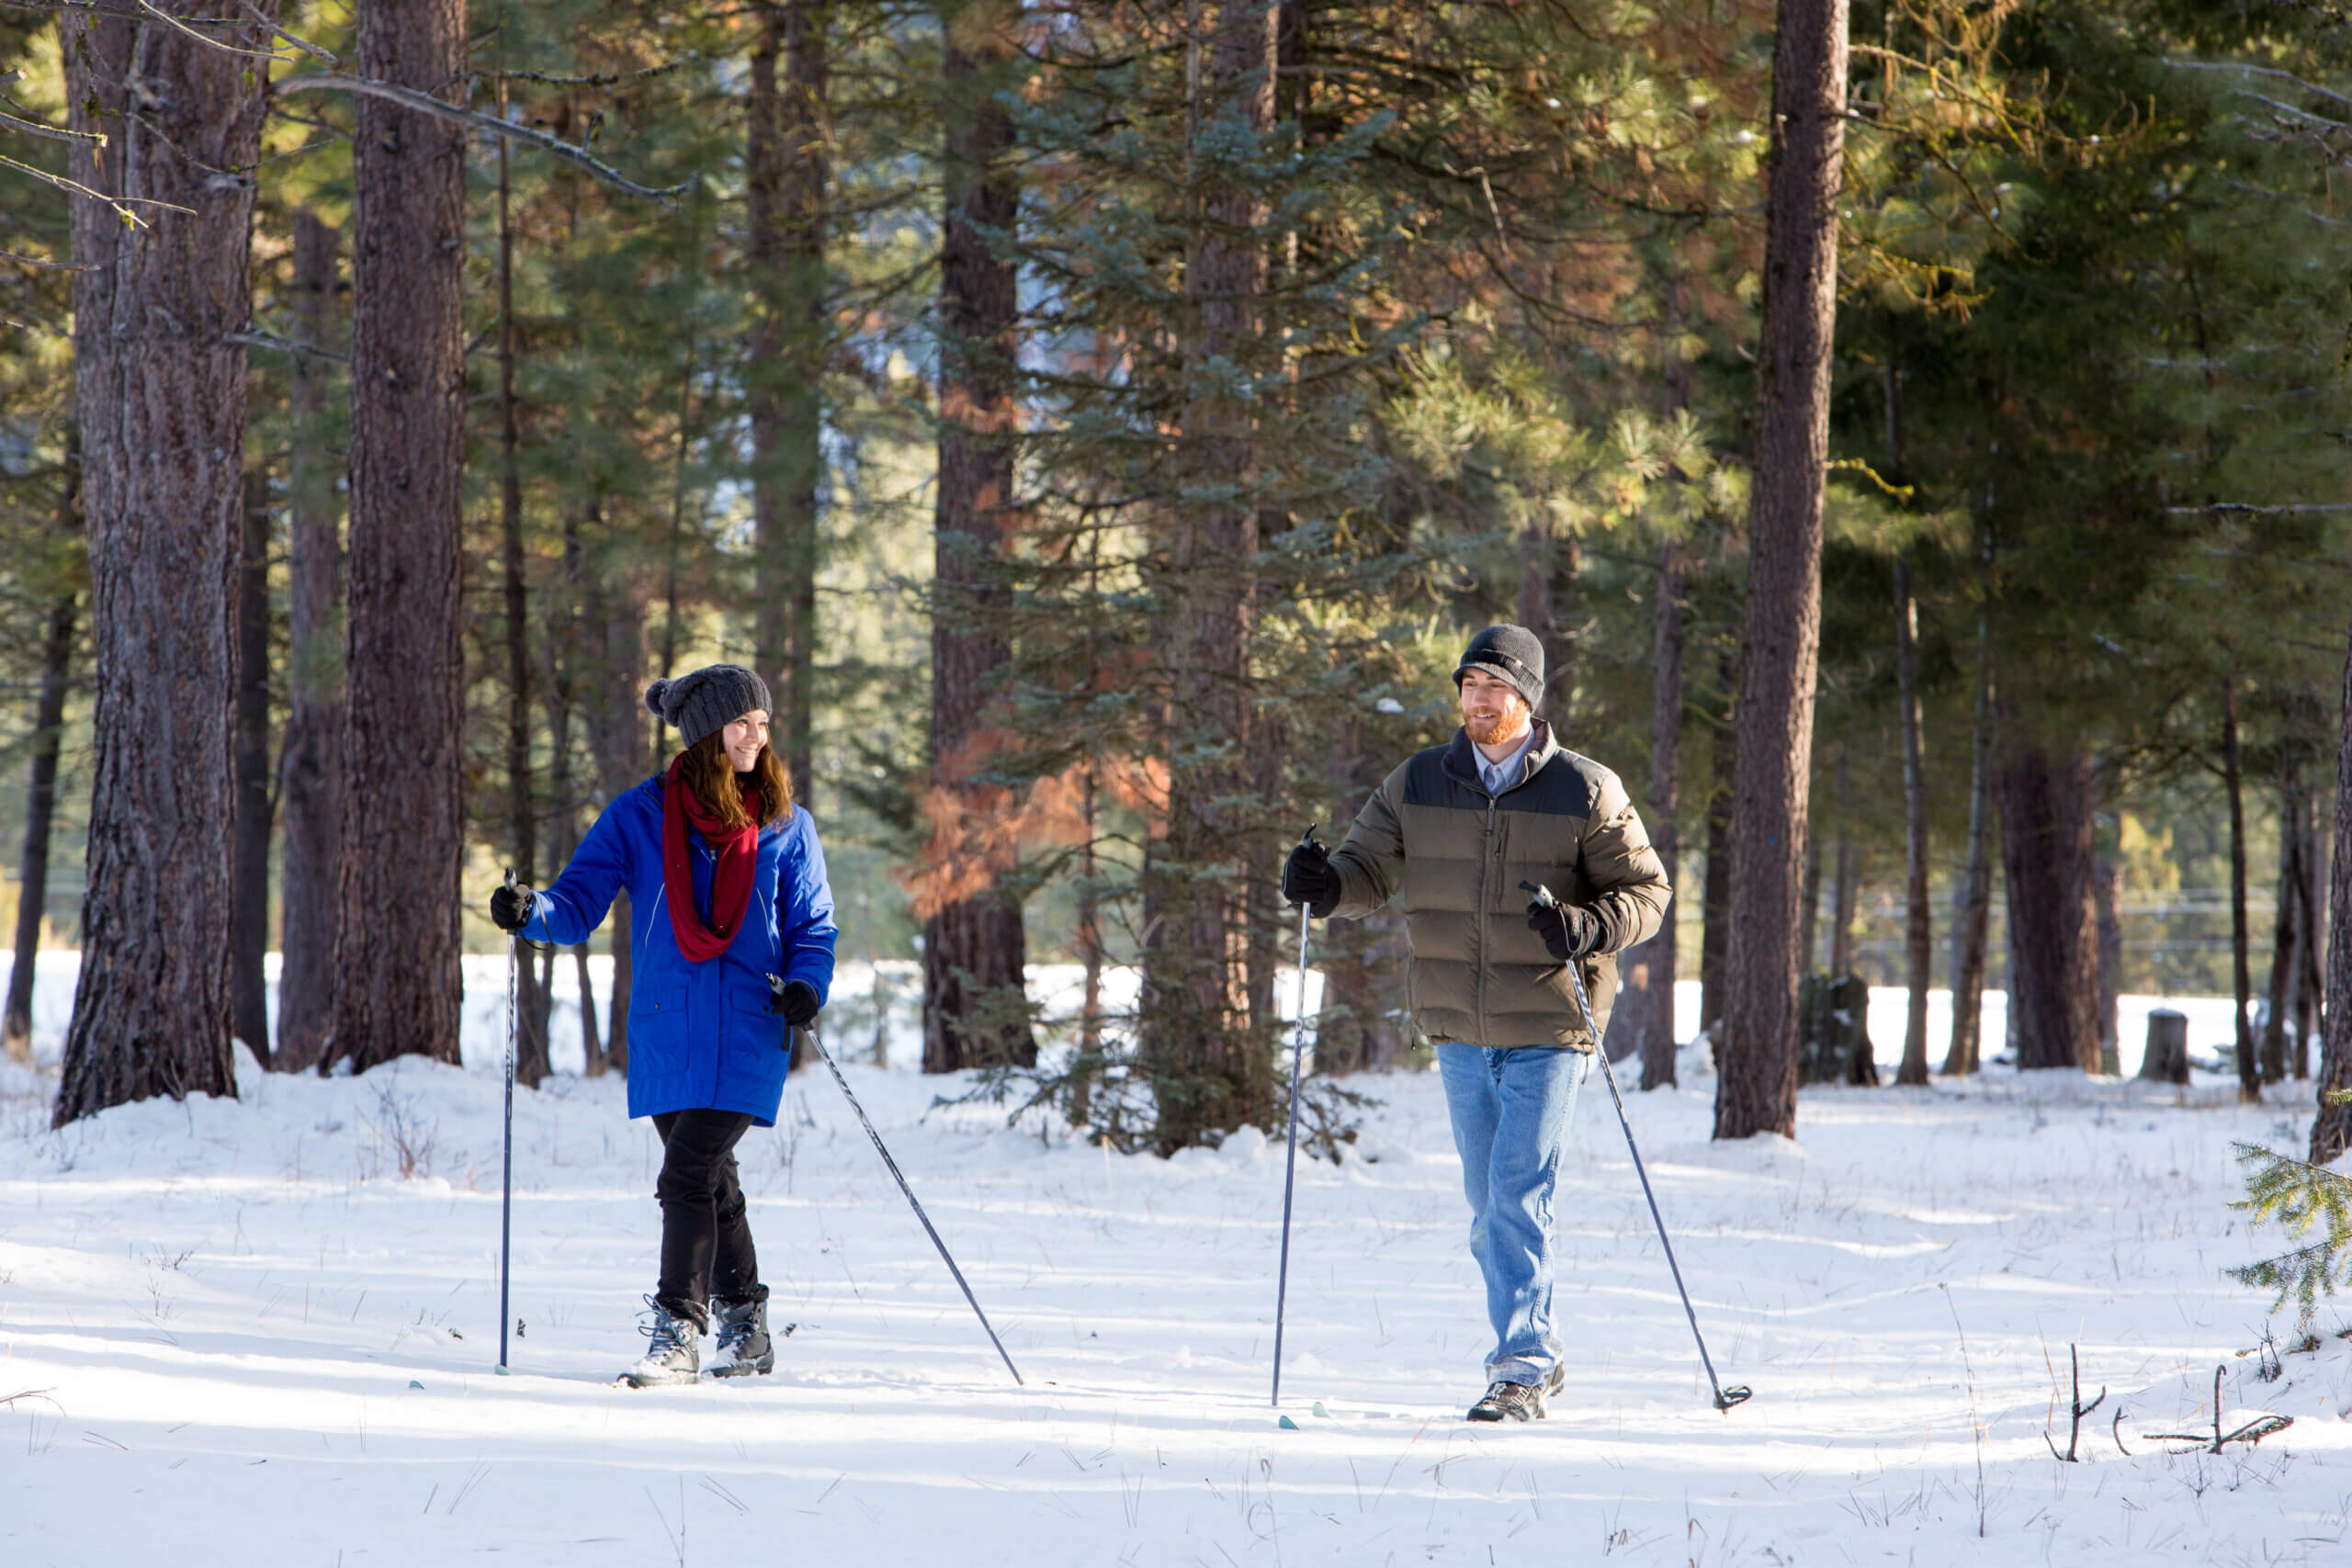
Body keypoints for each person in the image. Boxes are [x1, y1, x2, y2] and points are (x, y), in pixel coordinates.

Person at [1282, 626, 1670, 1423]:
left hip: (1550, 1023)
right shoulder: (1420, 780)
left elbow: (1648, 893)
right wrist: (1325, 886)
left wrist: (1587, 926)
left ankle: (1521, 1364)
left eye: (1495, 687)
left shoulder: (1584, 789)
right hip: (1459, 1025)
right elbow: (1367, 869)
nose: (1479, 700)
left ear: (1527, 697)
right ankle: (1539, 1349)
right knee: (1485, 1199)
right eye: (1469, 685)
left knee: (1515, 1191)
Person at [490, 663, 837, 1387]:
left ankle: (679, 1329)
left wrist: (808, 982)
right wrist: (531, 912)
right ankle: (748, 1327)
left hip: (749, 1025)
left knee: (686, 1173)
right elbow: (578, 902)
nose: (756, 736)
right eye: (742, 722)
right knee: (714, 1183)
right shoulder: (640, 815)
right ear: (709, 731)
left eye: (763, 723)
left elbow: (812, 925)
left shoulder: (786, 824)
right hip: (666, 1029)